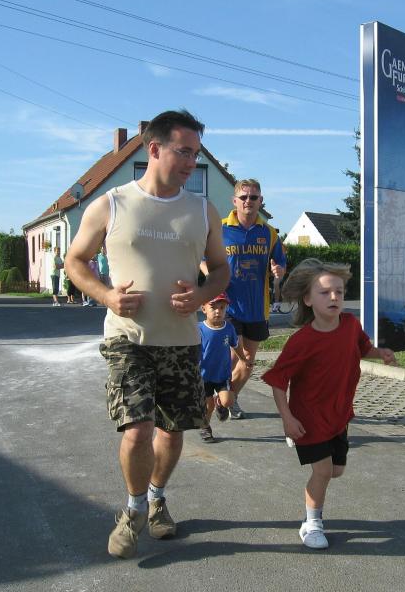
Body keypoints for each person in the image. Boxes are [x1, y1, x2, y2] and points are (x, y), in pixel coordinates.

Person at [65, 109, 230, 560]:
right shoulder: (111, 204)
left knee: (172, 432)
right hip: (128, 338)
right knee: (138, 429)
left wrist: (200, 297)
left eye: (195, 155)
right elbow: (75, 261)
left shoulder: (203, 210)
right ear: (154, 149)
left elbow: (220, 270)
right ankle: (134, 509)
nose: (191, 163)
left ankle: (157, 498)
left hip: (181, 340)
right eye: (184, 152)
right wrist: (107, 296)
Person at [261, 258, 397, 550]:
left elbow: (362, 347)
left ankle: (303, 452)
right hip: (308, 418)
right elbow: (277, 381)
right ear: (308, 299)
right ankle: (312, 525)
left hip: (339, 415)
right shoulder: (301, 342)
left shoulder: (350, 325)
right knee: (322, 472)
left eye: (339, 291)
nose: (334, 297)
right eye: (325, 292)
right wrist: (287, 418)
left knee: (336, 471)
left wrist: (380, 353)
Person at [208, 178, 286, 419]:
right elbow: (201, 257)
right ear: (235, 201)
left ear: (260, 201)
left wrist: (279, 271)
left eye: (253, 197)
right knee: (233, 356)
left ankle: (228, 399)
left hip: (257, 308)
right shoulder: (220, 229)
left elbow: (280, 263)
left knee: (249, 361)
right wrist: (211, 274)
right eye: (243, 197)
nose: (248, 201)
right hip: (228, 306)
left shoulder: (269, 233)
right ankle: (210, 400)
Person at [197, 291, 249, 443]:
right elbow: (190, 350)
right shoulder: (198, 329)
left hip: (222, 375)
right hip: (203, 376)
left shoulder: (229, 328)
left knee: (228, 401)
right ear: (204, 309)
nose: (218, 311)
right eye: (213, 307)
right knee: (208, 406)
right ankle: (205, 427)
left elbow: (236, 345)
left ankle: (220, 404)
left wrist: (243, 359)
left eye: (222, 308)